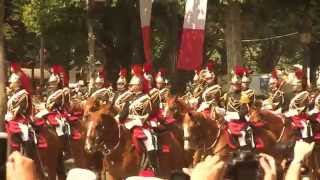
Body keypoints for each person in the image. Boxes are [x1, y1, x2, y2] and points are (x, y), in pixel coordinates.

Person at [120, 64, 159, 174]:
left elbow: (147, 114)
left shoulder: (146, 98)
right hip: (128, 123)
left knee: (150, 141)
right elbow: (124, 113)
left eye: (132, 85)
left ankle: (152, 166)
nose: (130, 87)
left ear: (139, 86)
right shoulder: (130, 98)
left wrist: (135, 121)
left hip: (141, 124)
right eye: (131, 85)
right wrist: (118, 118)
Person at [5, 63, 36, 151]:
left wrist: (9, 116)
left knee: (23, 134)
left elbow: (18, 110)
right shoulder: (12, 94)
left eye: (12, 81)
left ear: (18, 82)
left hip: (19, 119)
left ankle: (25, 152)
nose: (10, 82)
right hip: (10, 117)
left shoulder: (23, 94)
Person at [223, 66, 255, 149]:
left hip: (239, 121)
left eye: (237, 85)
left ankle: (244, 150)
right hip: (228, 120)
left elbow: (244, 110)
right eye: (233, 84)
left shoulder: (244, 95)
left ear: (240, 85)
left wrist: (232, 116)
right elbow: (225, 107)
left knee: (242, 135)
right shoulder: (227, 95)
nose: (234, 86)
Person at [284, 66, 312, 140]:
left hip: (299, 114)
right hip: (292, 112)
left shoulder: (304, 93)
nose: (295, 86)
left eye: (297, 84)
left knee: (303, 125)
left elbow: (300, 108)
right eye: (294, 85)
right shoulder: (294, 94)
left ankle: (304, 139)